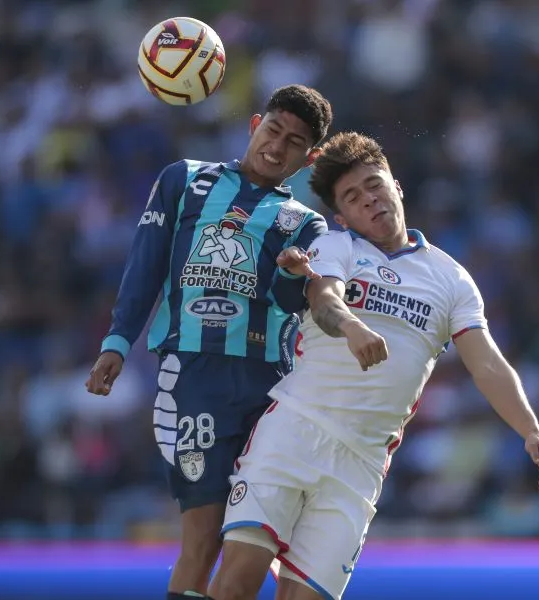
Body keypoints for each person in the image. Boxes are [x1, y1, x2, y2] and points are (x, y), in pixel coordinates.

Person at [207, 132, 539, 600]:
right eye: (353, 197)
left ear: (396, 186)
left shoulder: (451, 278)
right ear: (341, 215)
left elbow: (487, 363)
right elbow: (325, 299)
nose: (369, 200)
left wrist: (529, 428)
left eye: (374, 185)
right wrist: (353, 328)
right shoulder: (338, 248)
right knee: (235, 584)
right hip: (293, 434)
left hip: (360, 466)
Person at [85, 85, 333, 600]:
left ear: (307, 159)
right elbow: (145, 265)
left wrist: (293, 277)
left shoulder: (307, 224)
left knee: (255, 546)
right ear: (254, 124)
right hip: (194, 379)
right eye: (273, 130)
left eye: (293, 142)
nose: (276, 146)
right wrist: (117, 340)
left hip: (272, 392)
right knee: (200, 541)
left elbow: (294, 302)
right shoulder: (184, 179)